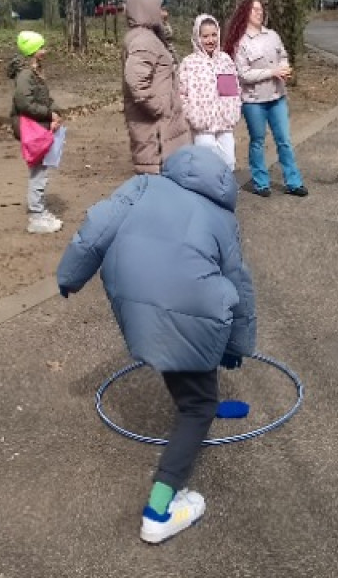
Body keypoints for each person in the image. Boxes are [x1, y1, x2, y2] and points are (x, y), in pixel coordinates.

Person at [55, 145, 257, 544]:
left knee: (178, 348)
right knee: (194, 402)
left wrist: (70, 277)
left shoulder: (143, 185)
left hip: (134, 303)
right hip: (191, 305)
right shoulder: (221, 217)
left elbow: (94, 229)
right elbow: (240, 284)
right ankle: (159, 510)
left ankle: (207, 399)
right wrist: (237, 344)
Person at [223, 0, 307, 197]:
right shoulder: (240, 42)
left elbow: (283, 56)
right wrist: (272, 72)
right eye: (254, 10)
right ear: (245, 14)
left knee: (284, 140)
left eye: (261, 10)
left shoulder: (273, 36)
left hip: (277, 97)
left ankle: (293, 182)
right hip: (254, 102)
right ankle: (261, 183)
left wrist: (285, 68)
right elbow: (242, 74)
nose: (259, 13)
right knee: (257, 141)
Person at [122, 0, 192, 174]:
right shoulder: (143, 41)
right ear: (147, 9)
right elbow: (136, 81)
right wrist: (159, 107)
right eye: (160, 8)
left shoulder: (151, 37)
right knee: (157, 190)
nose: (165, 13)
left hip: (162, 131)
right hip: (155, 136)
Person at [10, 30, 63, 234]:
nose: (45, 50)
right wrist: (49, 114)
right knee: (38, 171)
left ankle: (40, 210)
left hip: (39, 125)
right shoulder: (26, 75)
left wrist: (55, 111)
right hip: (34, 128)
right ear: (32, 51)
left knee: (42, 169)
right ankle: (36, 216)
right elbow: (25, 103)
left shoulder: (35, 72)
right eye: (41, 47)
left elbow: (44, 98)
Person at [178, 14, 242, 170]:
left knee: (228, 162)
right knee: (206, 165)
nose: (210, 40)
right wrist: (192, 114)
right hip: (202, 124)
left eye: (214, 35)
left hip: (224, 123)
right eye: (205, 36)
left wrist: (232, 112)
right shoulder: (189, 63)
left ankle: (225, 192)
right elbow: (181, 93)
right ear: (197, 37)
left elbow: (233, 91)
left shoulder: (225, 60)